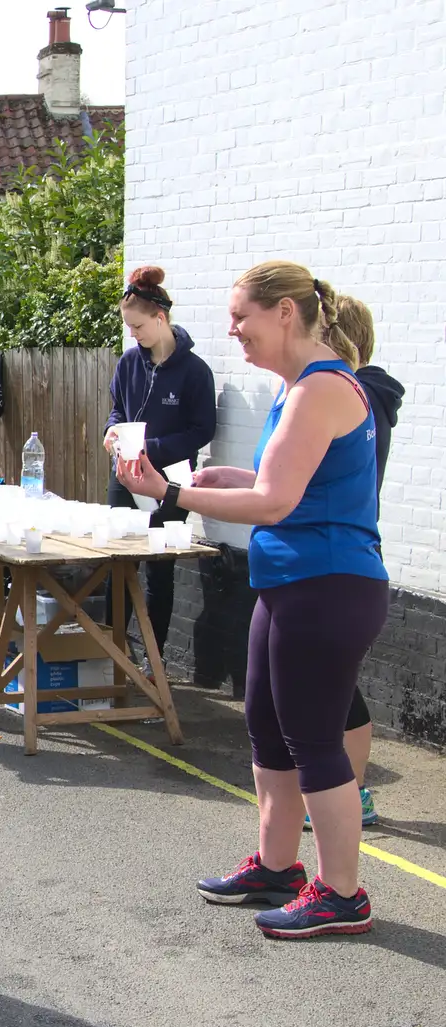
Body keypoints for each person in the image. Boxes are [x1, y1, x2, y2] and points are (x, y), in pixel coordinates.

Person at [119, 261, 386, 939]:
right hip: (289, 581)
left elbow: (274, 501)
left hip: (325, 586)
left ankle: (342, 893)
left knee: (315, 738)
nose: (232, 331)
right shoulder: (300, 386)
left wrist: (173, 492)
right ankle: (277, 866)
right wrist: (229, 475)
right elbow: (284, 479)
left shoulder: (319, 387)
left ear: (286, 314)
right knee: (268, 726)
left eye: (242, 317)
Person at [297, 296, 401, 831]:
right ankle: (347, 791)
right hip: (331, 561)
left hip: (344, 563)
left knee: (338, 682)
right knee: (332, 680)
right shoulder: (346, 397)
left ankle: (354, 793)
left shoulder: (358, 400)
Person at [103, 266, 217, 659]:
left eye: (137, 327)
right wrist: (113, 431)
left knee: (159, 567)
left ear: (160, 318)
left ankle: (154, 657)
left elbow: (202, 430)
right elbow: (118, 409)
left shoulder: (195, 371)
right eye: (129, 328)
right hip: (125, 473)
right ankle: (113, 654)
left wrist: (151, 447)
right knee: (118, 562)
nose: (133, 335)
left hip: (170, 478)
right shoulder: (129, 363)